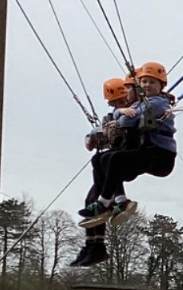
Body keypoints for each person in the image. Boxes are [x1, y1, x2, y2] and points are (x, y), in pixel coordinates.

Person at [80, 60, 177, 231]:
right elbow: (120, 117)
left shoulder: (158, 103)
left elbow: (126, 121)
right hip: (147, 151)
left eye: (152, 82)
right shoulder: (140, 104)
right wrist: (119, 112)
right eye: (144, 81)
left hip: (160, 155)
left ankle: (104, 202)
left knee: (115, 158)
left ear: (161, 86)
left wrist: (121, 114)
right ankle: (119, 202)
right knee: (100, 159)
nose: (147, 85)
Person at [70, 76, 136, 268]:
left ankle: (118, 201)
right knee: (90, 200)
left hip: (122, 159)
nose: (120, 105)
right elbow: (102, 130)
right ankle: (93, 245)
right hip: (108, 162)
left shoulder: (135, 111)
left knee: (103, 183)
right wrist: (93, 137)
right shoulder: (111, 117)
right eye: (116, 103)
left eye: (123, 100)